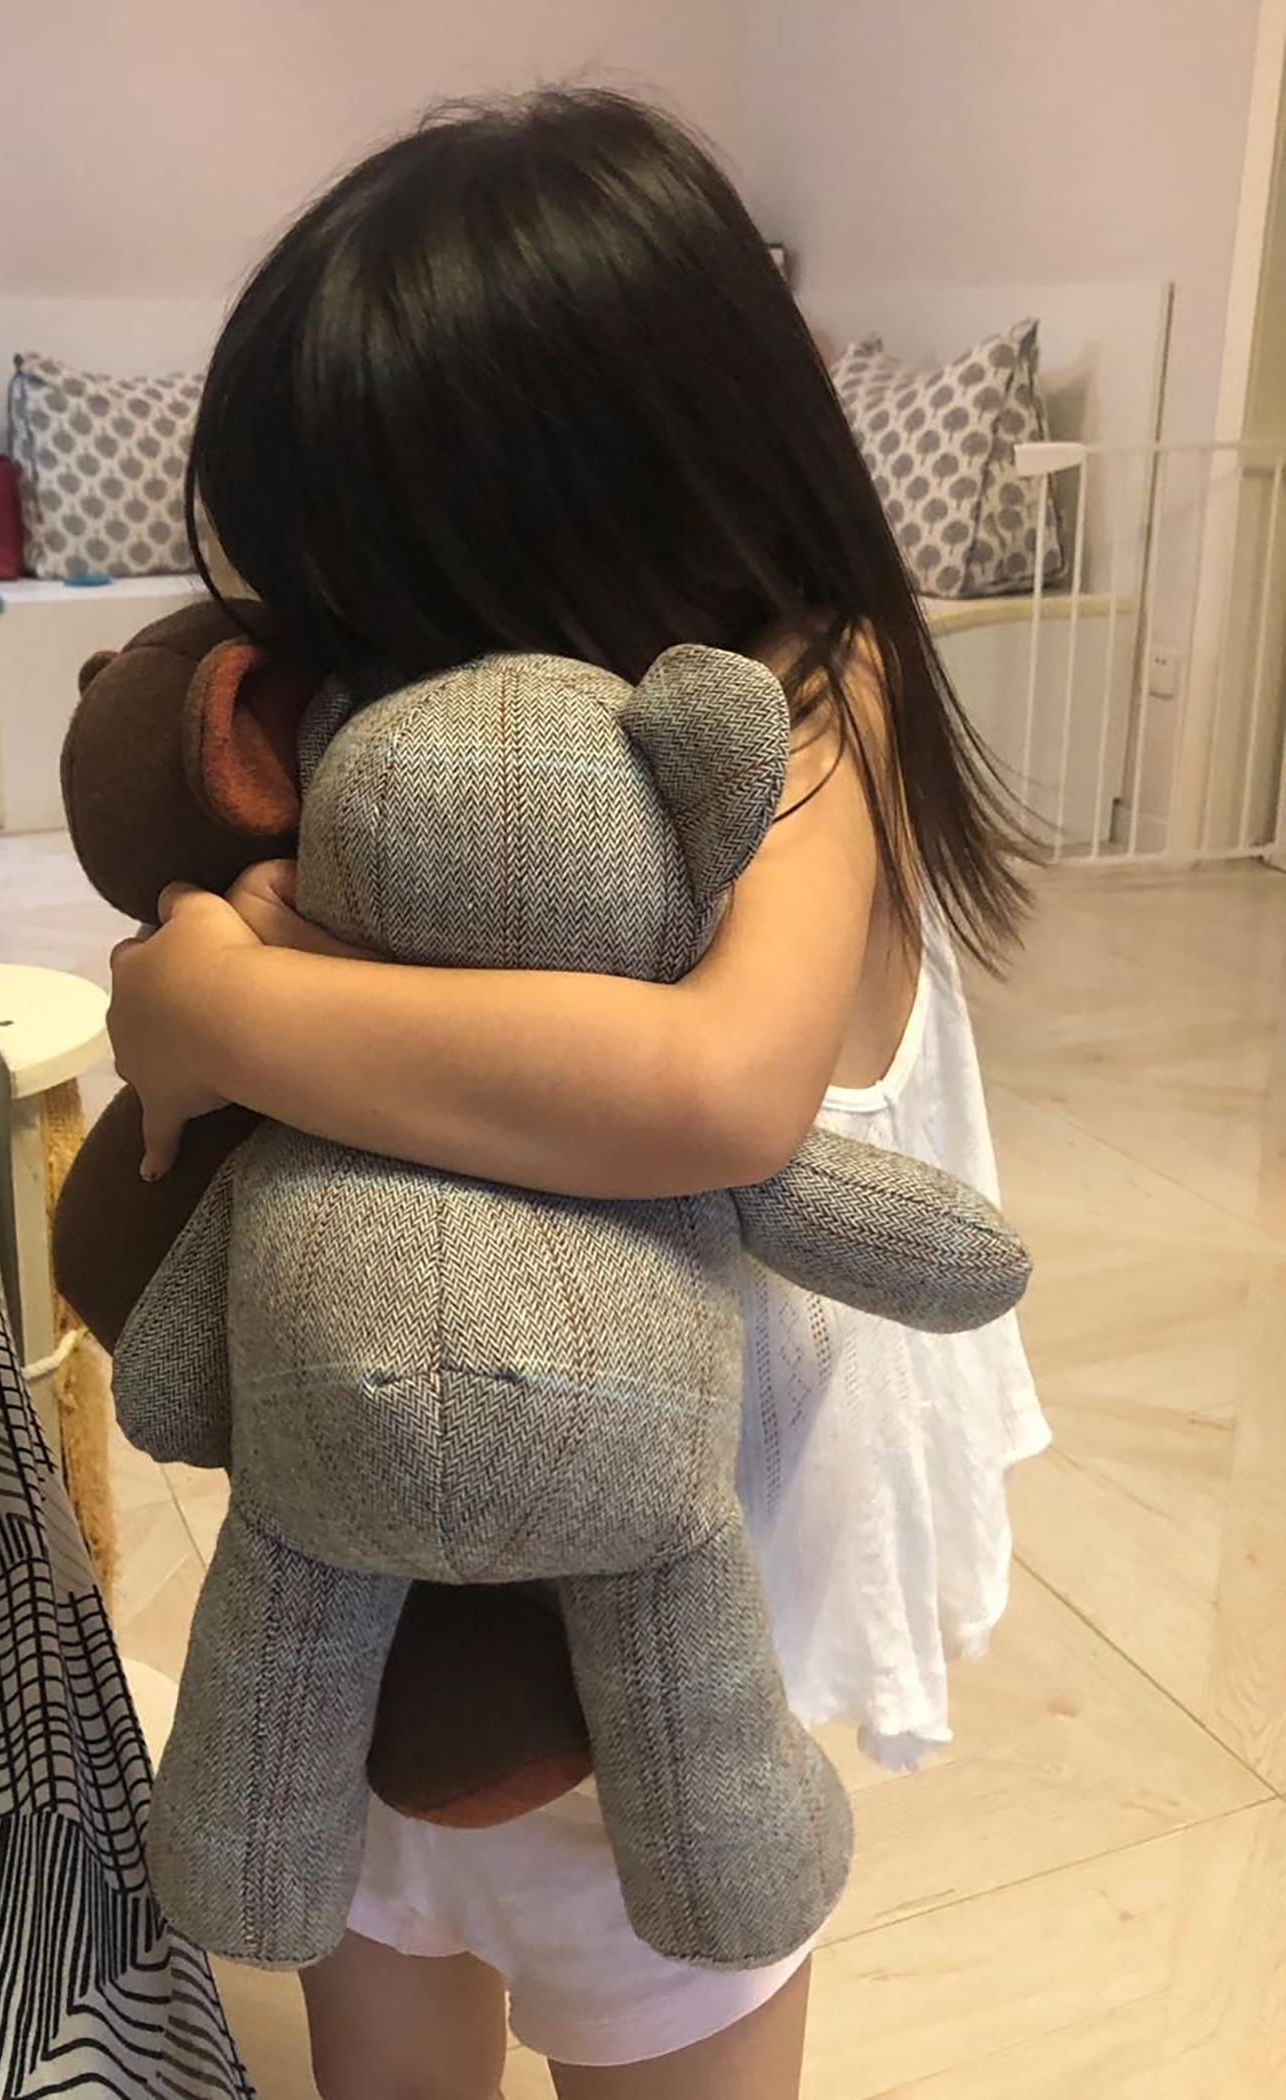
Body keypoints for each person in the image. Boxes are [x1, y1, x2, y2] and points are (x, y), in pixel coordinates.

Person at [107, 87, 1049, 2100]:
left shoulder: (816, 695)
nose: (361, 666)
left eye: (381, 587)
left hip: (667, 1688)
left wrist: (236, 1010)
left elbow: (713, 1095)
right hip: (376, 1637)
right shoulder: (410, 722)